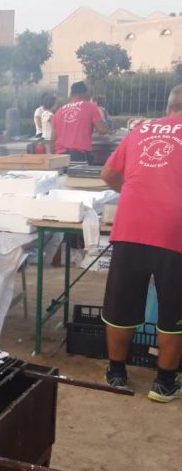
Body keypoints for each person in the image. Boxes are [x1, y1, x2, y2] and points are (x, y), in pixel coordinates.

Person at [99, 85, 182, 402]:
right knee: (174, 309)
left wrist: (137, 196)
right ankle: (164, 383)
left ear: (167, 106)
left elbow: (108, 174)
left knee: (121, 304)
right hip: (174, 233)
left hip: (130, 228)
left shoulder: (140, 131)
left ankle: (117, 374)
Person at [51, 81, 109, 164]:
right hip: (79, 155)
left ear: (71, 94)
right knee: (78, 177)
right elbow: (102, 130)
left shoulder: (59, 111)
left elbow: (53, 138)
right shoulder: (91, 107)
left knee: (63, 177)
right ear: (85, 93)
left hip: (60, 155)